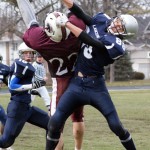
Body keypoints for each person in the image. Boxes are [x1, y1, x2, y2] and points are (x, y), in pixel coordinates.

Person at [46, 0, 139, 149]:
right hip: (77, 83)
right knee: (54, 123)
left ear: (124, 35)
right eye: (119, 21)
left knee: (116, 126)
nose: (116, 25)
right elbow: (82, 14)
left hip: (96, 87)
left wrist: (67, 24)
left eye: (121, 27)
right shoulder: (103, 20)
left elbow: (91, 41)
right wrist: (67, 2)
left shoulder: (117, 45)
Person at [16, 0, 86, 150]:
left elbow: (31, 23)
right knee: (78, 118)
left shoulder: (40, 41)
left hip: (60, 84)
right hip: (78, 81)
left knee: (55, 127)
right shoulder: (76, 32)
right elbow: (75, 11)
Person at [0, 42, 50, 149]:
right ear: (20, 54)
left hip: (27, 108)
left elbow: (23, 85)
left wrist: (32, 91)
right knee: (6, 142)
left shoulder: (27, 66)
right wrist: (32, 86)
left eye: (31, 53)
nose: (29, 55)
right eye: (26, 53)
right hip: (17, 108)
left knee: (51, 125)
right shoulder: (20, 65)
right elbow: (12, 86)